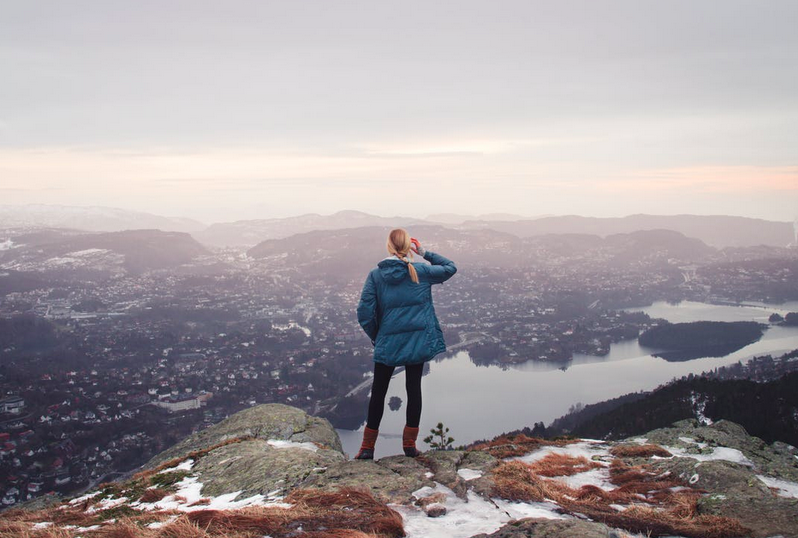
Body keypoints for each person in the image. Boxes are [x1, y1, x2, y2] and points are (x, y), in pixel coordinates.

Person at [354, 228, 457, 459]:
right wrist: (424, 252)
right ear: (407, 247)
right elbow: (450, 267)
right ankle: (409, 446)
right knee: (414, 390)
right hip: (416, 342)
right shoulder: (420, 270)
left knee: (378, 392)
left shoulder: (376, 275)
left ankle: (367, 448)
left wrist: (377, 335)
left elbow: (364, 312)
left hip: (388, 342)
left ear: (389, 246)